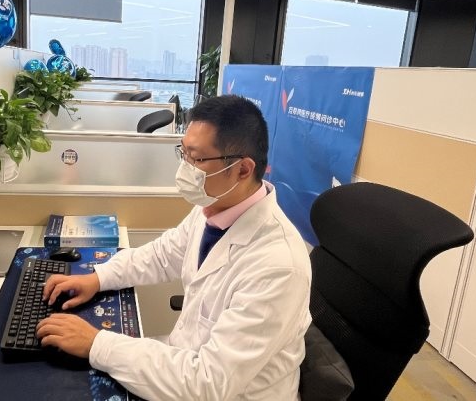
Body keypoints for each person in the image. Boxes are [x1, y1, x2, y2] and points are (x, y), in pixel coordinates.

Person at [36, 94, 312, 400]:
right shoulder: (214, 207)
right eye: (183, 153)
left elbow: (208, 384)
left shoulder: (278, 265)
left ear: (243, 169)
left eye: (197, 159)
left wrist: (97, 344)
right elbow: (161, 255)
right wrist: (98, 278)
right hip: (184, 363)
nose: (185, 168)